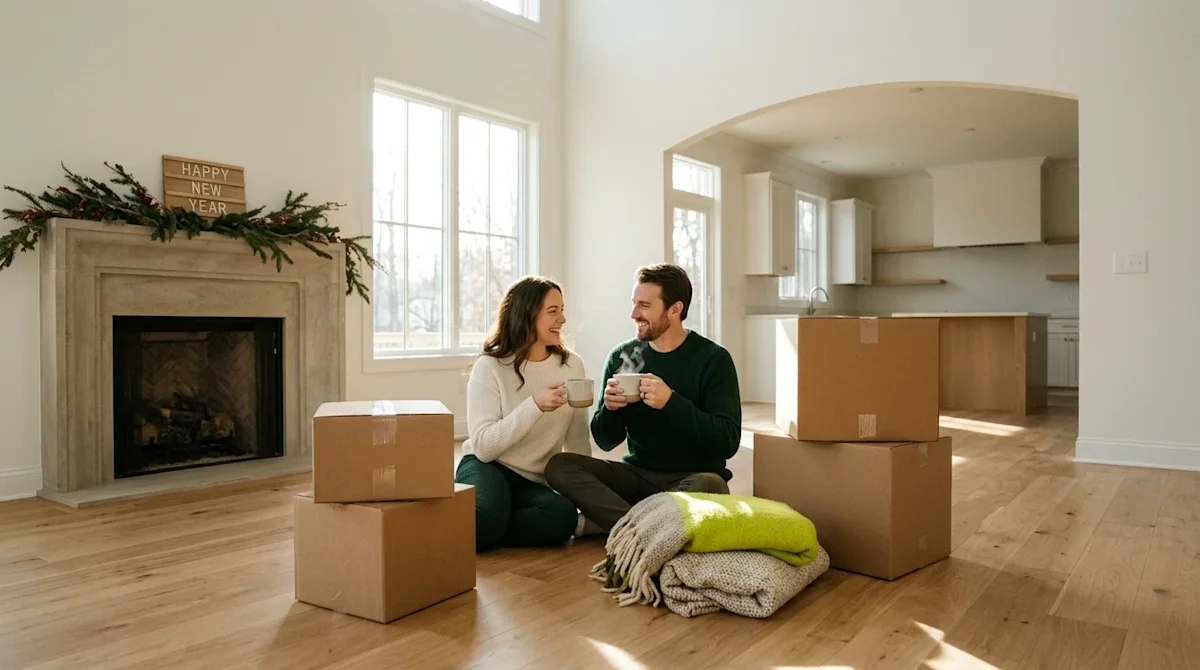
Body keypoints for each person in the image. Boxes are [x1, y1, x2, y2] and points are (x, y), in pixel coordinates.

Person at [545, 263, 742, 535]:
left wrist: (672, 402)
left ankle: (621, 524)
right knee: (560, 465)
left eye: (645, 306)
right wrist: (611, 409)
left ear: (676, 309)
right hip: (637, 477)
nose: (634, 314)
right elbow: (605, 440)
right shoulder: (622, 357)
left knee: (713, 487)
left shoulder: (713, 360)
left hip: (692, 478)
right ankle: (651, 527)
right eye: (634, 304)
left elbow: (727, 441)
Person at [455, 275, 592, 552]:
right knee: (486, 520)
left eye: (562, 310)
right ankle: (486, 524)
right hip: (486, 466)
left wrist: (585, 496)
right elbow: (483, 447)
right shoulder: (490, 367)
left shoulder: (571, 366)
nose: (562, 320)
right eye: (553, 312)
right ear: (525, 315)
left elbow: (577, 438)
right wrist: (534, 405)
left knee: (563, 515)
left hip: (532, 479)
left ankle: (485, 528)